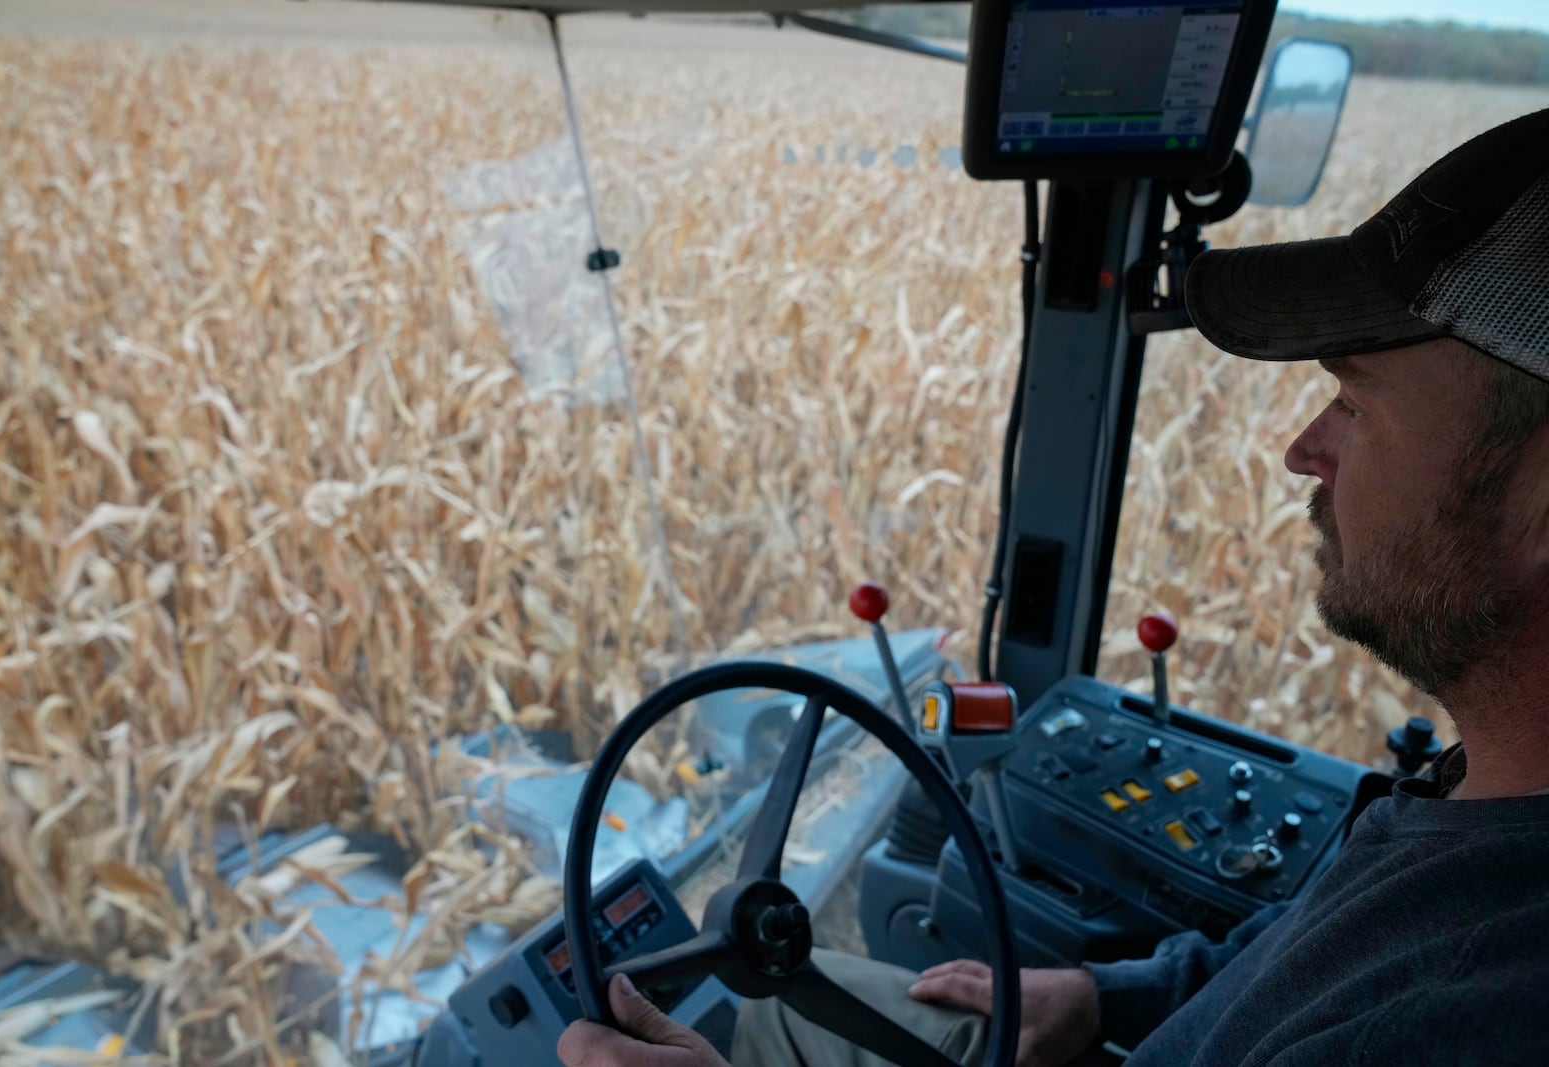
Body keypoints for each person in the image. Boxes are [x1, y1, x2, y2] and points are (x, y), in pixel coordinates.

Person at [558, 109, 1549, 1067]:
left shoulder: (1474, 1013)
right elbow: (1300, 965)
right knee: (789, 1016)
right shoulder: (1479, 786)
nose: (1303, 451)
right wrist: (1110, 995)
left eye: (1355, 400)